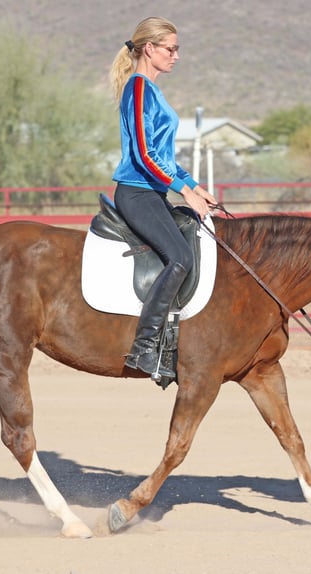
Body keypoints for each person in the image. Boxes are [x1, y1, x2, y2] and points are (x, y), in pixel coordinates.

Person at [109, 16, 217, 381]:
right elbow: (141, 153)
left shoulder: (152, 91)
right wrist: (183, 190)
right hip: (137, 192)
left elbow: (163, 156)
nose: (176, 56)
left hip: (153, 191)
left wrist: (194, 185)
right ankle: (144, 348)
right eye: (170, 49)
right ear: (149, 49)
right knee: (181, 257)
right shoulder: (138, 89)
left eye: (178, 49)